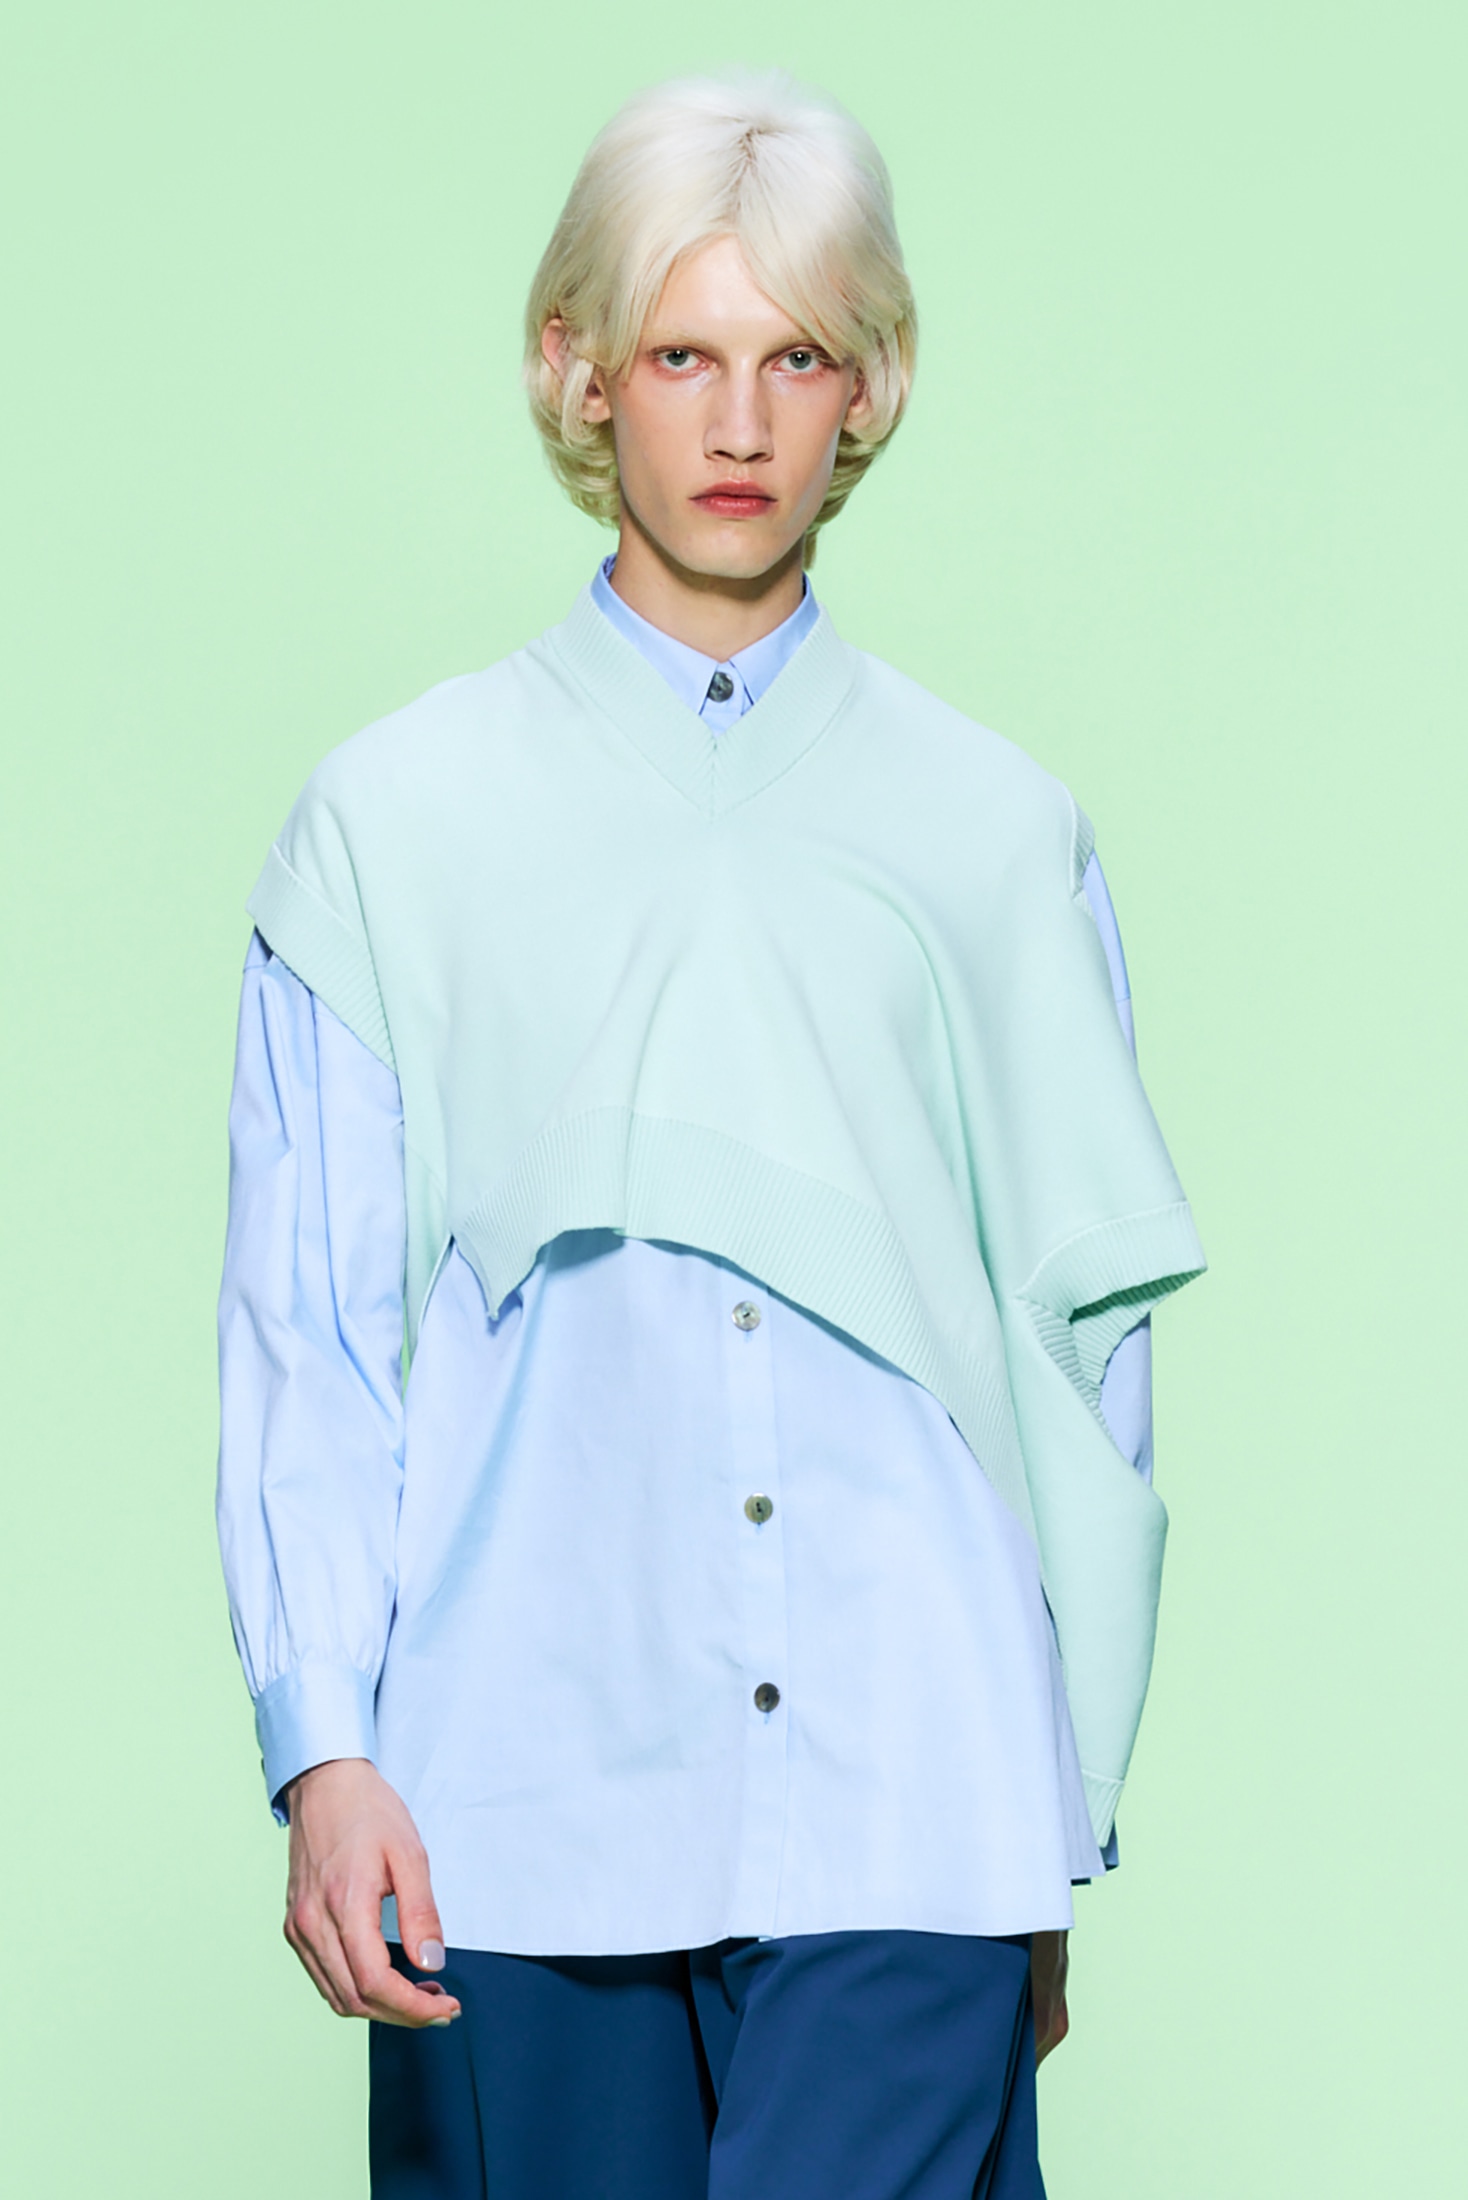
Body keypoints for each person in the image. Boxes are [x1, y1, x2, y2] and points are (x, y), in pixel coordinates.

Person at [216, 69, 1204, 2200]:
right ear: (578, 368)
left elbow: (1085, 1352)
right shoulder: (391, 824)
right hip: (513, 1795)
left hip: (916, 1802)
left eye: (796, 357)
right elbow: (312, 1330)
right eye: (682, 354)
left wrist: (1048, 1799)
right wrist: (324, 1744)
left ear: (870, 387)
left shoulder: (995, 832)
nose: (740, 422)